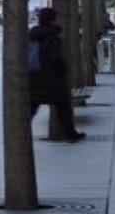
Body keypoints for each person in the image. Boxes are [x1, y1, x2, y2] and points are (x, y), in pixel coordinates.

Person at [28, 8, 85, 142]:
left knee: (32, 107)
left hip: (34, 77)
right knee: (63, 106)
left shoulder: (32, 34)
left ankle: (19, 134)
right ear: (53, 19)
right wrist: (62, 68)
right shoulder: (52, 36)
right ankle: (71, 135)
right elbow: (55, 58)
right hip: (51, 78)